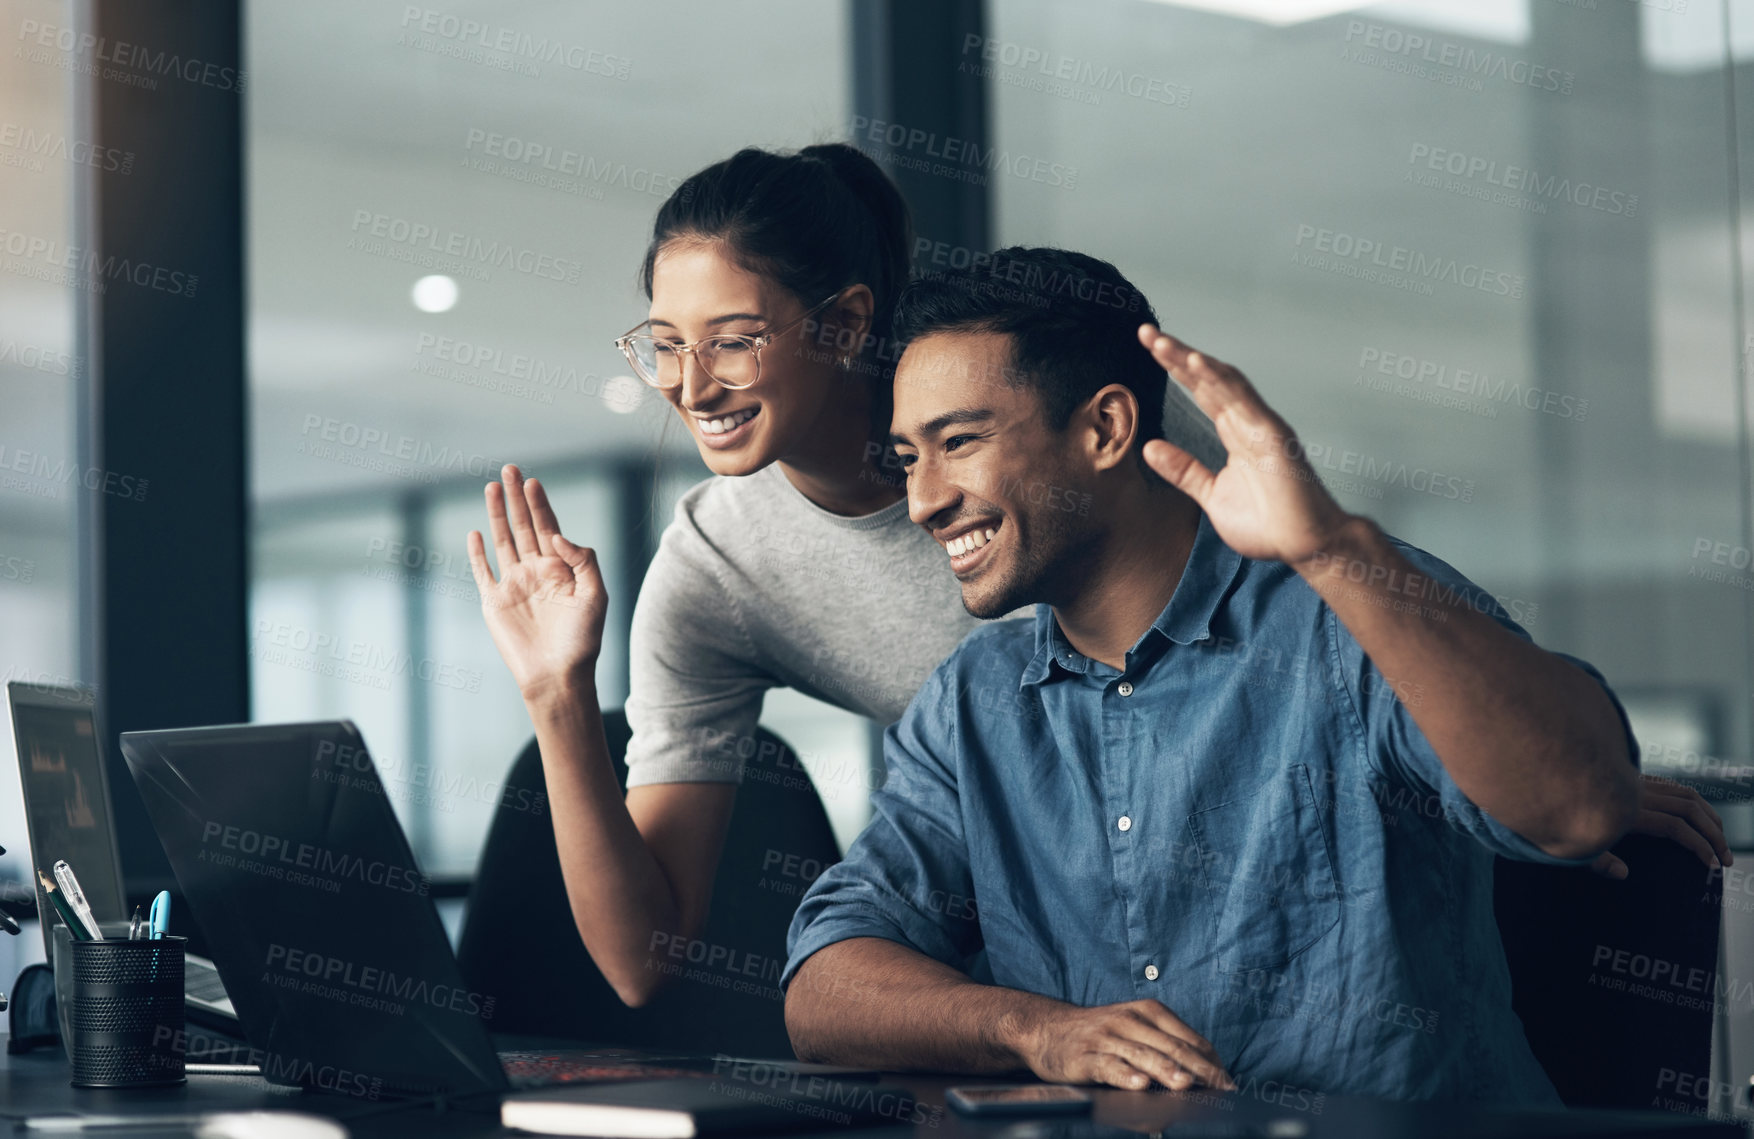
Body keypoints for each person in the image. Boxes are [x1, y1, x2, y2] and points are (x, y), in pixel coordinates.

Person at [467, 146, 1722, 1015]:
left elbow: (1358, 665)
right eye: (663, 344)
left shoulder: (1107, 491)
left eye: (731, 336)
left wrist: (1542, 761)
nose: (689, 382)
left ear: (846, 325)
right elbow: (672, 957)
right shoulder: (772, 594)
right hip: (1042, 946)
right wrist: (558, 697)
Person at [780, 246, 1715, 1103]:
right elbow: (824, 984)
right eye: (909, 457)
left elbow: (1579, 809)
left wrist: (1334, 548)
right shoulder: (971, 703)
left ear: (1104, 428)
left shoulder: (1347, 608)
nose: (923, 499)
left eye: (959, 442)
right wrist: (1035, 1029)